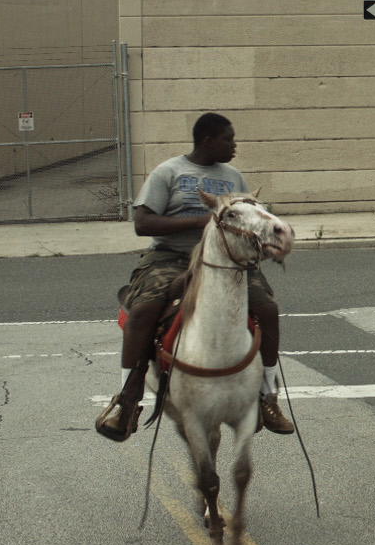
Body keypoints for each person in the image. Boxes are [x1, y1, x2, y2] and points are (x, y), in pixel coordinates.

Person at [94, 113, 293, 441]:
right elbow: (142, 224)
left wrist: (265, 245)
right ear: (208, 140)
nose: (234, 145)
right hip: (171, 259)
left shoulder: (233, 178)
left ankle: (267, 396)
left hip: (226, 261)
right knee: (143, 310)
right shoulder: (169, 172)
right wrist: (202, 221)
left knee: (268, 310)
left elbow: (249, 224)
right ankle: (127, 401)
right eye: (229, 139)